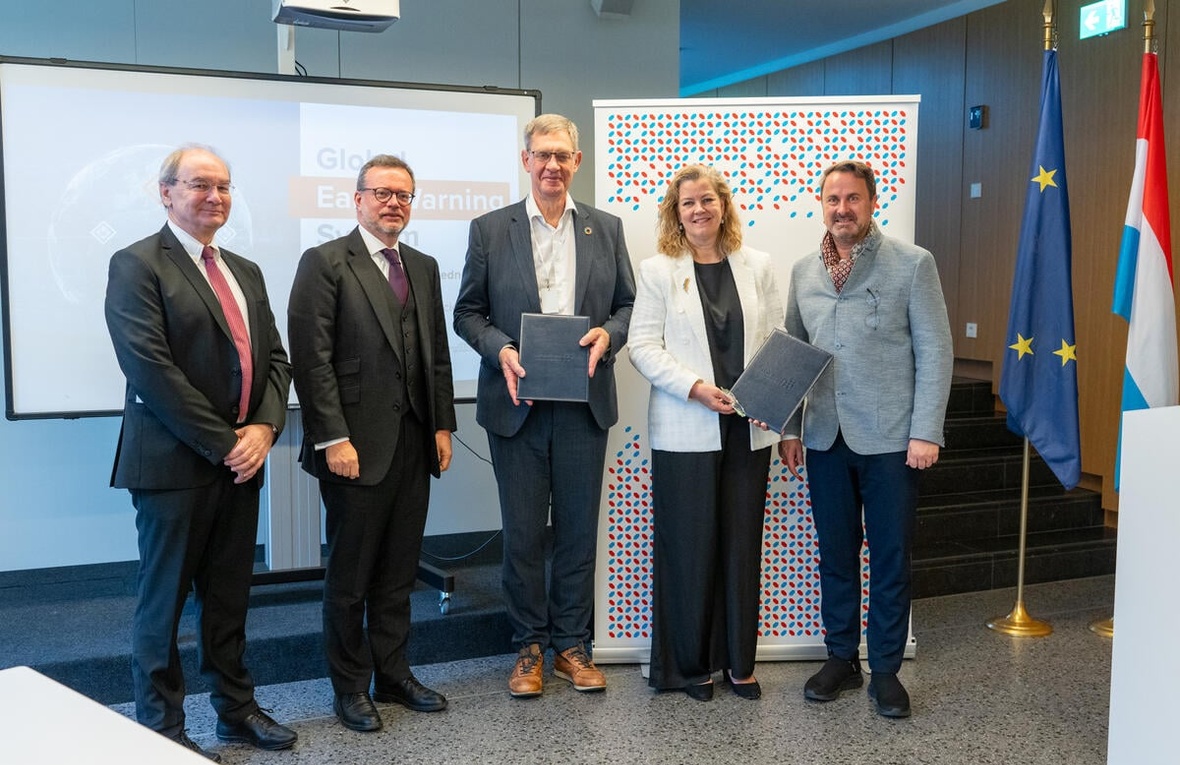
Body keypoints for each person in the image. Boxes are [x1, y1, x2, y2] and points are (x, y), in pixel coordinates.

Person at [104, 145, 297, 761]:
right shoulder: (136, 264)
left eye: (224, 186)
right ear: (166, 192)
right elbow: (150, 370)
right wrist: (225, 444)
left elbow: (274, 360)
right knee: (162, 605)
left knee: (229, 599)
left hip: (243, 458)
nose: (215, 197)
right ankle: (160, 730)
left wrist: (264, 430)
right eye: (199, 185)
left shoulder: (245, 269)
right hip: (174, 464)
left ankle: (236, 712)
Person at [453, 113, 636, 698]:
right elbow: (467, 313)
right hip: (517, 401)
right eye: (542, 155)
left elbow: (628, 307)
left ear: (577, 161)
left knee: (579, 532)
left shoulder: (607, 229)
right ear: (525, 160)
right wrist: (501, 348)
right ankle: (529, 647)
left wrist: (610, 335)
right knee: (525, 534)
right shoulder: (490, 229)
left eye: (562, 155)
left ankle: (572, 647)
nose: (552, 165)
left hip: (584, 405)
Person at [288, 155, 457, 732]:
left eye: (404, 195)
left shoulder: (425, 266)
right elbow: (311, 360)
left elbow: (434, 351)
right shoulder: (326, 262)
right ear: (357, 199)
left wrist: (441, 425)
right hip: (353, 446)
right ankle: (349, 687)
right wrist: (333, 436)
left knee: (397, 570)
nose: (393, 203)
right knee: (351, 575)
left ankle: (393, 672)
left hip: (413, 441)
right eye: (382, 193)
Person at [780, 160, 953, 718]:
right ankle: (841, 659)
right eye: (833, 199)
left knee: (890, 556)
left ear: (871, 203)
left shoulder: (912, 264)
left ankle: (884, 669)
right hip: (825, 437)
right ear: (821, 204)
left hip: (890, 440)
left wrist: (926, 430)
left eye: (853, 199)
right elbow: (792, 355)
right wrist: (788, 427)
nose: (842, 209)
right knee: (834, 554)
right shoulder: (804, 270)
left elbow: (936, 351)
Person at [628, 164, 783, 702]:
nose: (699, 210)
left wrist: (775, 401)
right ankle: (691, 666)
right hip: (686, 428)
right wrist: (695, 387)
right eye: (688, 202)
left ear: (724, 207)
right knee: (691, 548)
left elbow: (776, 341)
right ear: (676, 212)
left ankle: (740, 663)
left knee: (742, 548)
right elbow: (643, 346)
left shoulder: (758, 264)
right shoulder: (658, 270)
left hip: (748, 429)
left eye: (707, 201)